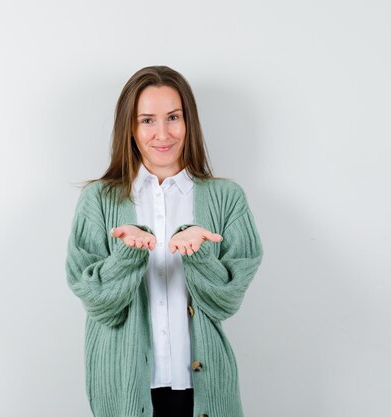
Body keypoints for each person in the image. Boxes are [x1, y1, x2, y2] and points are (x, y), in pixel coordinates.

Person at [65, 65, 263, 417]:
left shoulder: (227, 197)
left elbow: (226, 302)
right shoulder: (97, 199)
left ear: (189, 122)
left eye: (173, 117)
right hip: (123, 387)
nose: (162, 133)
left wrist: (198, 253)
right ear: (130, 127)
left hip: (204, 388)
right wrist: (127, 255)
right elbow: (96, 302)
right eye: (147, 120)